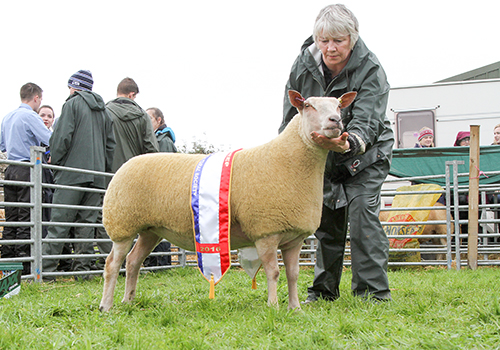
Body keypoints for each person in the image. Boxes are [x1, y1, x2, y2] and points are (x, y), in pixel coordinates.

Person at [279, 4, 394, 303]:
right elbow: (291, 117)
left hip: (366, 154)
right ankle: (323, 291)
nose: (330, 48)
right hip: (322, 155)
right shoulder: (302, 66)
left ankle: (371, 295)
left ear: (352, 38)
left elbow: (369, 118)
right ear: (316, 38)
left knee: (361, 215)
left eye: (338, 41)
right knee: (325, 220)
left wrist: (350, 143)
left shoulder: (371, 69)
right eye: (324, 40)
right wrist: (284, 154)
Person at [42, 70, 115, 281]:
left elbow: (62, 137)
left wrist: (54, 163)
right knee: (87, 225)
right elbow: (111, 146)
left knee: (59, 223)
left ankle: (46, 272)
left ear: (74, 86)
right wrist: (103, 172)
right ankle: (83, 272)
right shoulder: (104, 112)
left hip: (72, 175)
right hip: (96, 176)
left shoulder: (72, 104)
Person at [0, 83, 52, 275]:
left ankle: (6, 264)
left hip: (11, 170)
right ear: (37, 98)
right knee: (26, 218)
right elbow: (48, 139)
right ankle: (24, 266)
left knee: (11, 218)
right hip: (27, 169)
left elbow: (2, 145)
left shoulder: (7, 117)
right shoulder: (30, 116)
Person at [144, 107, 177, 267]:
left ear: (159, 120)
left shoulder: (163, 141)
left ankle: (160, 263)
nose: (146, 123)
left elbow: (163, 168)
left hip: (163, 192)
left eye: (149, 118)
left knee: (161, 227)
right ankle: (157, 263)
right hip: (162, 191)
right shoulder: (159, 139)